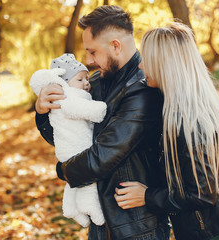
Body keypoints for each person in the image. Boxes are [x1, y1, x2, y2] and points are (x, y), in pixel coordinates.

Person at [34, 5, 170, 240]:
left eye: (92, 52)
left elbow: (102, 157)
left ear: (116, 46)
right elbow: (67, 136)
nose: (88, 60)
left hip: (135, 224)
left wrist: (61, 171)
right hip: (101, 218)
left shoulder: (142, 89)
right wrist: (43, 112)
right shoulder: (93, 82)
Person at [114, 22, 219, 240]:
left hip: (215, 231)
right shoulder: (179, 106)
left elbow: (202, 194)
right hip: (211, 226)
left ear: (165, 64)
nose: (141, 66)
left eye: (147, 59)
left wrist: (147, 196)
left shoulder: (190, 121)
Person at [30, 53, 106, 227]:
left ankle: (71, 208)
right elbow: (83, 110)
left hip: (69, 150)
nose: (86, 83)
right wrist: (101, 110)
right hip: (77, 149)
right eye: (80, 79)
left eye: (93, 52)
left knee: (73, 183)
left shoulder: (80, 90)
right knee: (87, 183)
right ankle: (90, 206)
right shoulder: (68, 98)